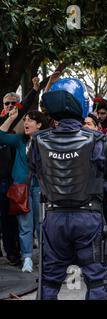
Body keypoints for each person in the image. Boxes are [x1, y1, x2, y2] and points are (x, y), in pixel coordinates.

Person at [30, 78, 107, 300]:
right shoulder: (99, 140)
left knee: (49, 280)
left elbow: (35, 169)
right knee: (97, 280)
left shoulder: (38, 141)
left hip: (53, 217)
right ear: (82, 104)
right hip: (88, 217)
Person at [0, 109, 49, 272]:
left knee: (42, 224)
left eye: (30, 120)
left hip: (42, 188)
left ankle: (45, 258)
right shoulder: (20, 140)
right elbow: (0, 135)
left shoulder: (48, 141)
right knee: (25, 225)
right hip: (22, 189)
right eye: (25, 120)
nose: (26, 123)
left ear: (39, 124)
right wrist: (11, 118)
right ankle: (27, 258)